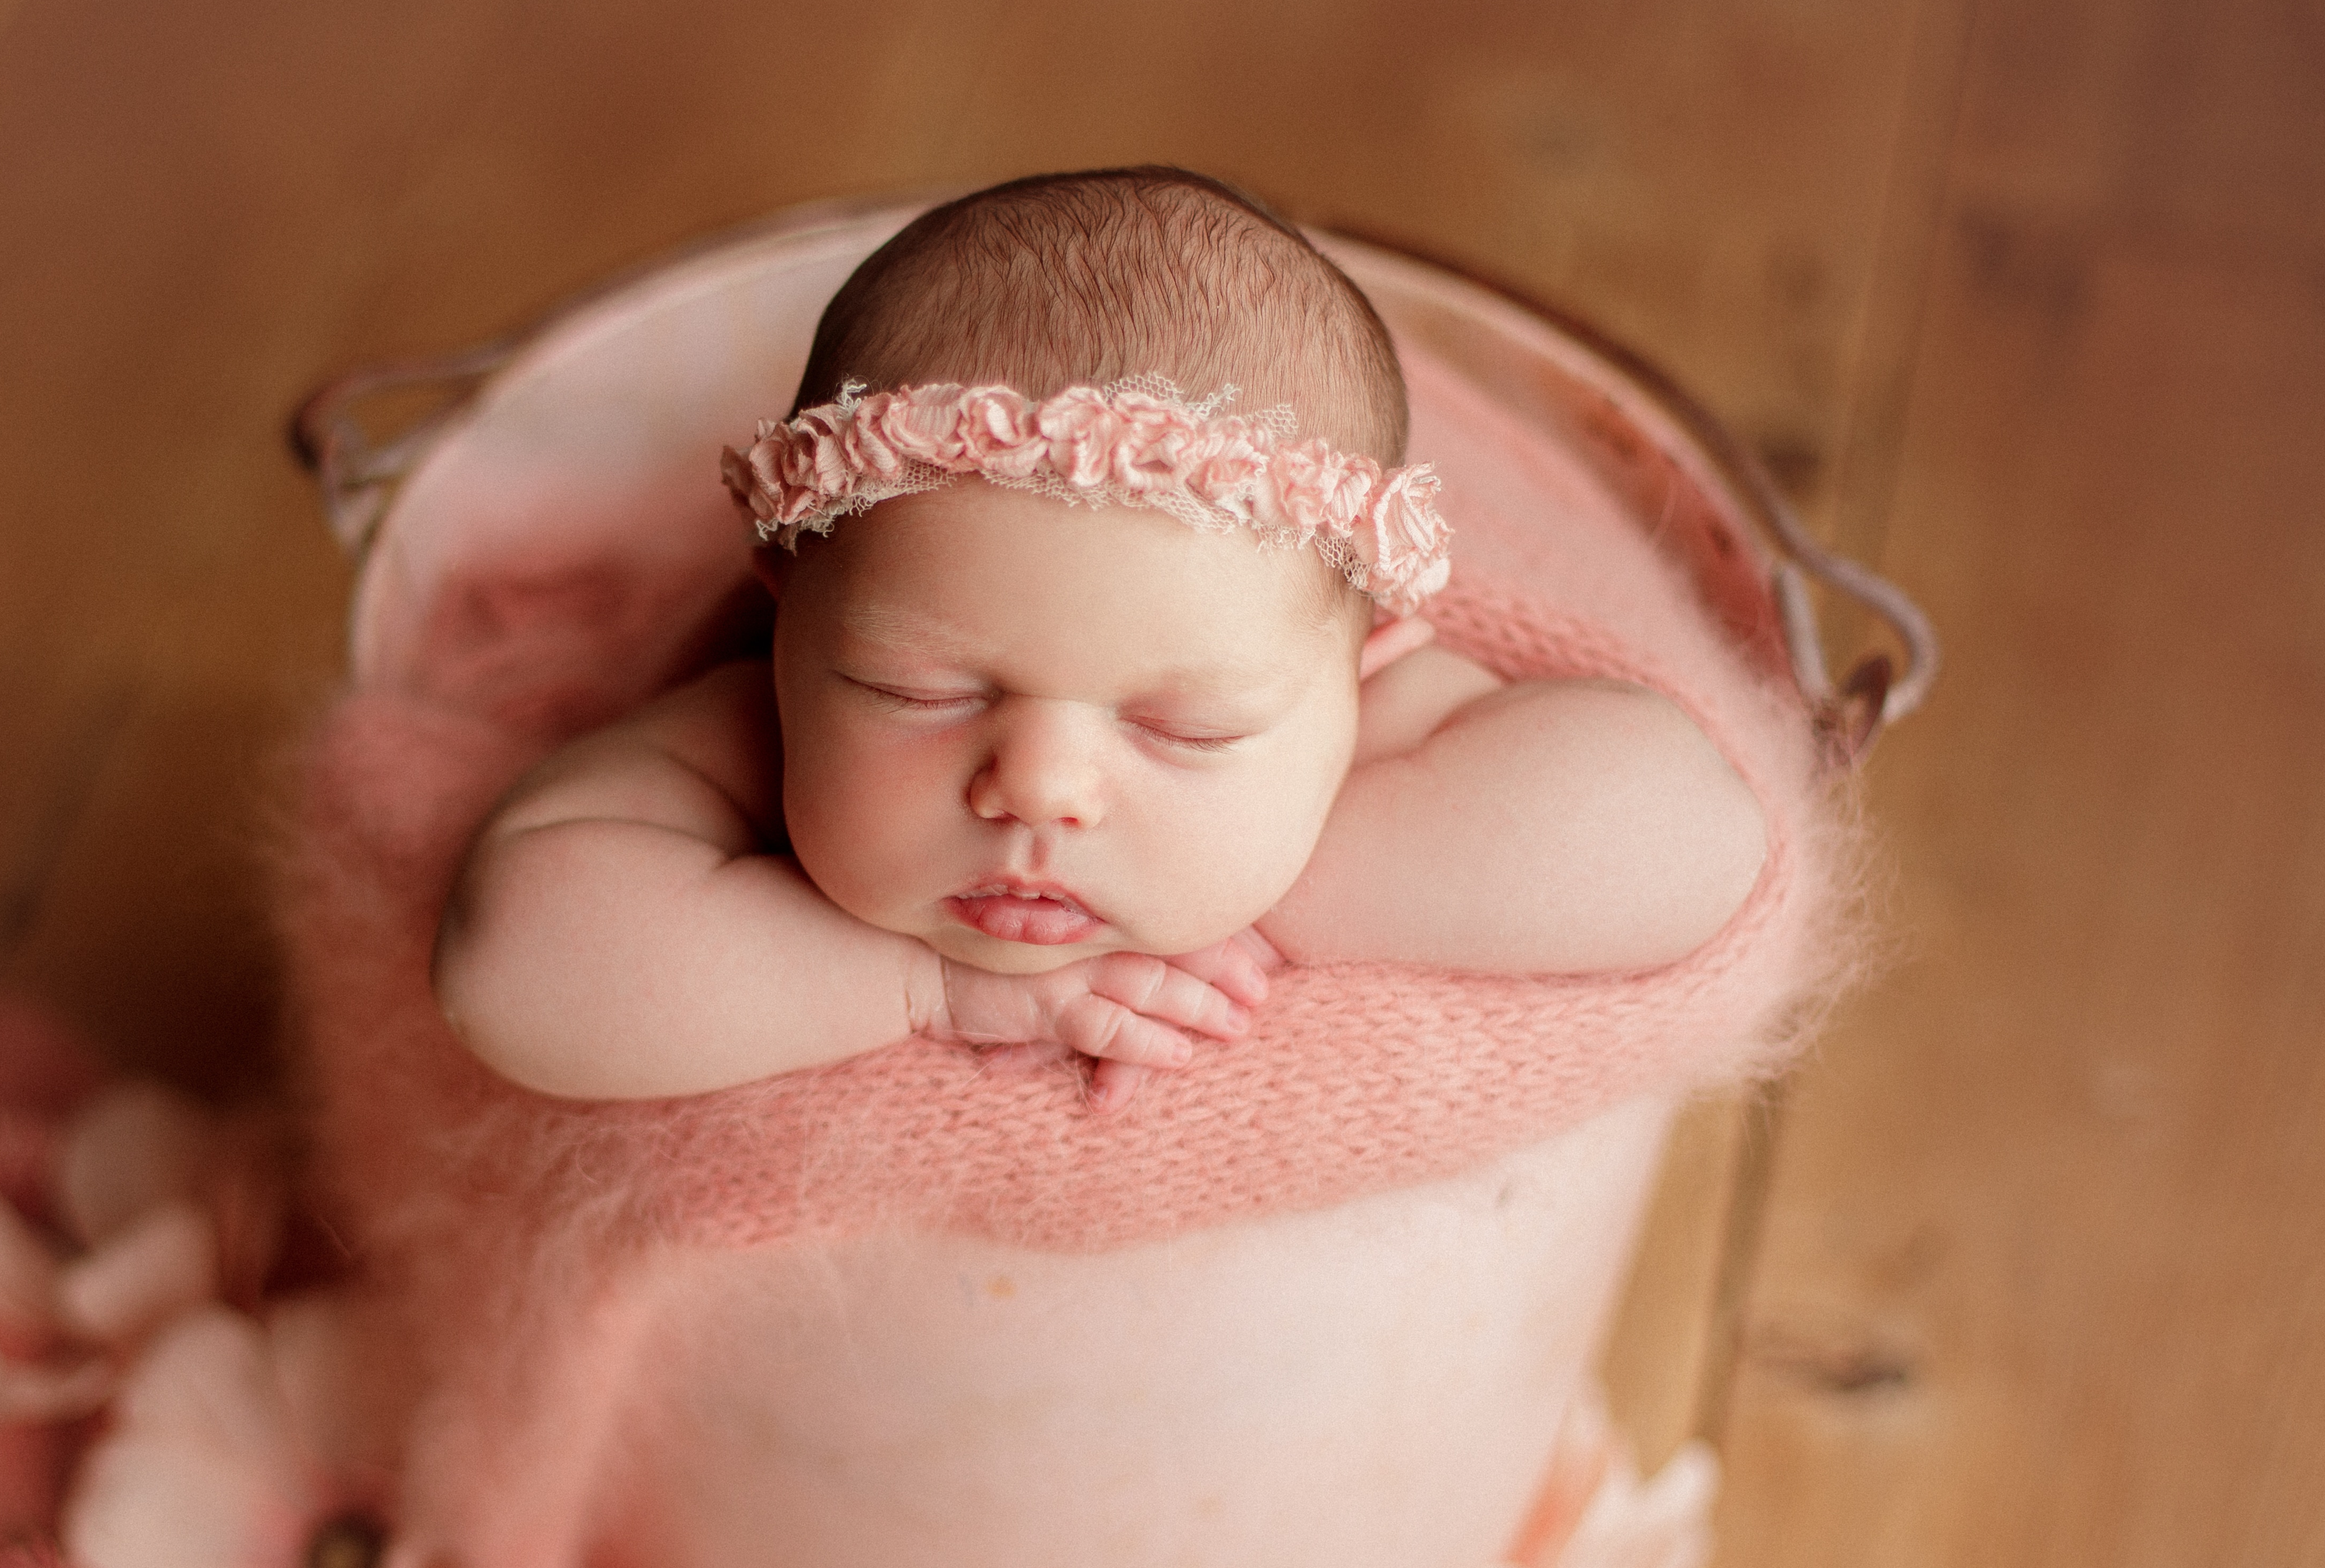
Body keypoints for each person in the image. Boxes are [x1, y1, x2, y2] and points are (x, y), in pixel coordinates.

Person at [431, 167, 1768, 1108]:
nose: (1043, 788)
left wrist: (1267, 893)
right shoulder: (738, 727)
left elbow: (1697, 830)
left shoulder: (1363, 729)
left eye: (1183, 730)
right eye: (918, 690)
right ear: (790, 624)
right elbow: (509, 969)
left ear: (1361, 676)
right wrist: (927, 992)